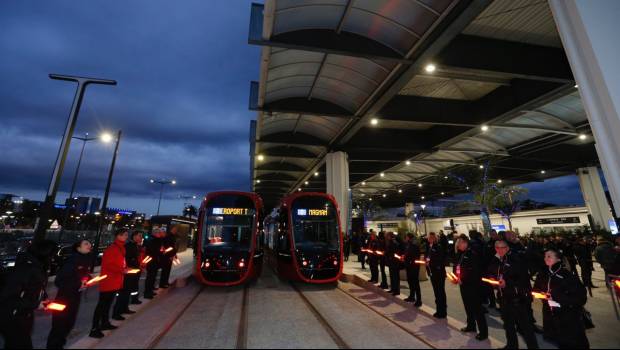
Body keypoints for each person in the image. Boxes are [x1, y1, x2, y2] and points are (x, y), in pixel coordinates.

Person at [0, 240, 55, 349]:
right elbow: (8, 296)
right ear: (44, 253)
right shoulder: (26, 269)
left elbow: (34, 288)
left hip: (22, 314)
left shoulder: (38, 267)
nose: (53, 258)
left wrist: (44, 298)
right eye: (52, 254)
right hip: (11, 316)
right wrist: (35, 304)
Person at [487, 239, 538, 349]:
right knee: (508, 324)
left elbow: (523, 278)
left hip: (518, 298)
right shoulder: (496, 260)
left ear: (507, 248)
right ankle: (511, 345)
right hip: (504, 298)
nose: (500, 250)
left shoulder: (516, 259)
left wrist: (508, 283)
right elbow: (491, 272)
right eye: (497, 248)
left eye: (502, 247)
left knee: (525, 327)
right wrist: (493, 280)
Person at [533, 249, 589, 349]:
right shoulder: (542, 274)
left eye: (549, 256)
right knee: (561, 343)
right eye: (545, 256)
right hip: (550, 316)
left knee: (575, 343)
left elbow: (580, 298)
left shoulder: (566, 275)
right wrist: (539, 294)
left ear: (558, 259)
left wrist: (556, 297)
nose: (546, 258)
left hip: (568, 317)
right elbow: (536, 289)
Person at [47, 240, 93, 349]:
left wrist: (87, 280)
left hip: (75, 297)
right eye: (86, 244)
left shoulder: (85, 259)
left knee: (68, 324)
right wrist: (78, 284)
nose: (89, 245)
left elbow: (83, 275)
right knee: (59, 325)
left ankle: (59, 345)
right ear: (78, 248)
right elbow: (60, 280)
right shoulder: (73, 260)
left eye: (90, 244)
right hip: (64, 298)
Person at [90, 229, 129, 338]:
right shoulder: (112, 249)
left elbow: (118, 263)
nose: (126, 236)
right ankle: (94, 328)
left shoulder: (120, 248)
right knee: (102, 305)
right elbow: (108, 265)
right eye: (125, 235)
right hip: (108, 281)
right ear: (118, 236)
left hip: (115, 280)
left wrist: (124, 268)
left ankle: (105, 323)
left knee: (107, 304)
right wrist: (122, 270)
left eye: (126, 234)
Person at [452, 234, 487, 341]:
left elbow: (475, 272)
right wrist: (456, 277)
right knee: (468, 306)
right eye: (457, 244)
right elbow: (457, 266)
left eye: (459, 244)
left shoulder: (473, 253)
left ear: (465, 242)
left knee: (477, 309)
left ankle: (483, 332)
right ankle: (471, 325)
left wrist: (464, 279)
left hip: (473, 286)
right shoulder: (461, 254)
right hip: (463, 285)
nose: (457, 246)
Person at [113, 231, 143, 319]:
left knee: (128, 291)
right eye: (139, 235)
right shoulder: (127, 246)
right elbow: (126, 259)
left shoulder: (134, 245)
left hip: (132, 271)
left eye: (127, 235)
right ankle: (117, 313)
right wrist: (129, 266)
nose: (141, 237)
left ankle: (124, 308)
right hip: (127, 272)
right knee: (123, 292)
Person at [426, 232, 447, 318]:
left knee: (440, 292)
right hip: (432, 273)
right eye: (429, 238)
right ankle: (439, 310)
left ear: (435, 238)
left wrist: (431, 262)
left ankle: (442, 311)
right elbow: (428, 257)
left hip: (438, 273)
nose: (430, 239)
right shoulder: (429, 247)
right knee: (436, 292)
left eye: (431, 238)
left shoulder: (438, 247)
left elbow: (440, 259)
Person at [144, 228, 163, 299]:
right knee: (150, 277)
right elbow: (153, 251)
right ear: (155, 233)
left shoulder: (157, 240)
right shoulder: (151, 240)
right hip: (151, 261)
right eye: (159, 233)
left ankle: (150, 290)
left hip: (155, 261)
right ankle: (147, 293)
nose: (160, 234)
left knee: (153, 277)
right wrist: (160, 251)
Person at [404, 233, 422, 307]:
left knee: (415, 283)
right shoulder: (408, 245)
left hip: (414, 267)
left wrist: (410, 260)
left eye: (406, 237)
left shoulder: (414, 245)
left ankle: (419, 300)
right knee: (410, 281)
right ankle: (412, 296)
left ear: (409, 238)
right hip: (409, 266)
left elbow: (416, 255)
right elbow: (407, 254)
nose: (406, 238)